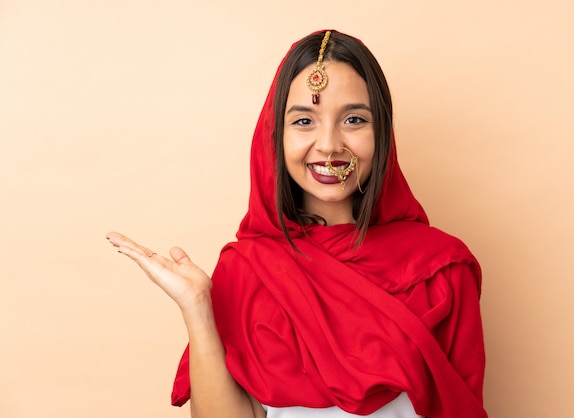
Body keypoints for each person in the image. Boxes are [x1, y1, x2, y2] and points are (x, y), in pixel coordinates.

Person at [106, 30, 488, 418]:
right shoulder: (247, 271)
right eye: (304, 120)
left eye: (354, 119)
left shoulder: (441, 268)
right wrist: (199, 309)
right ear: (276, 136)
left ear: (383, 133)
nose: (328, 144)